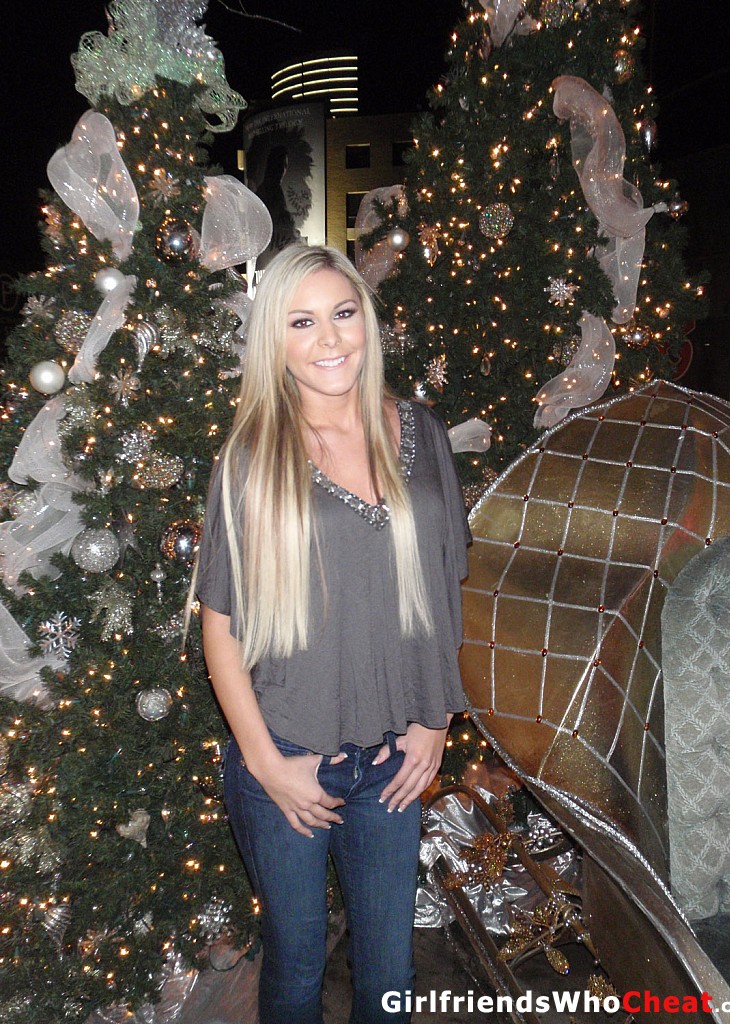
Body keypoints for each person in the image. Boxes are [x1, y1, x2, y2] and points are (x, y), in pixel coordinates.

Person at [194, 244, 470, 1024]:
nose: (329, 339)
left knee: (390, 967)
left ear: (365, 321)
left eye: (342, 313)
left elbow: (447, 587)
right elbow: (220, 632)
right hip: (286, 754)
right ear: (274, 342)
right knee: (296, 965)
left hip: (392, 758)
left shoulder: (421, 431)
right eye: (301, 321)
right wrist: (267, 765)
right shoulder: (254, 456)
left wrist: (435, 721)